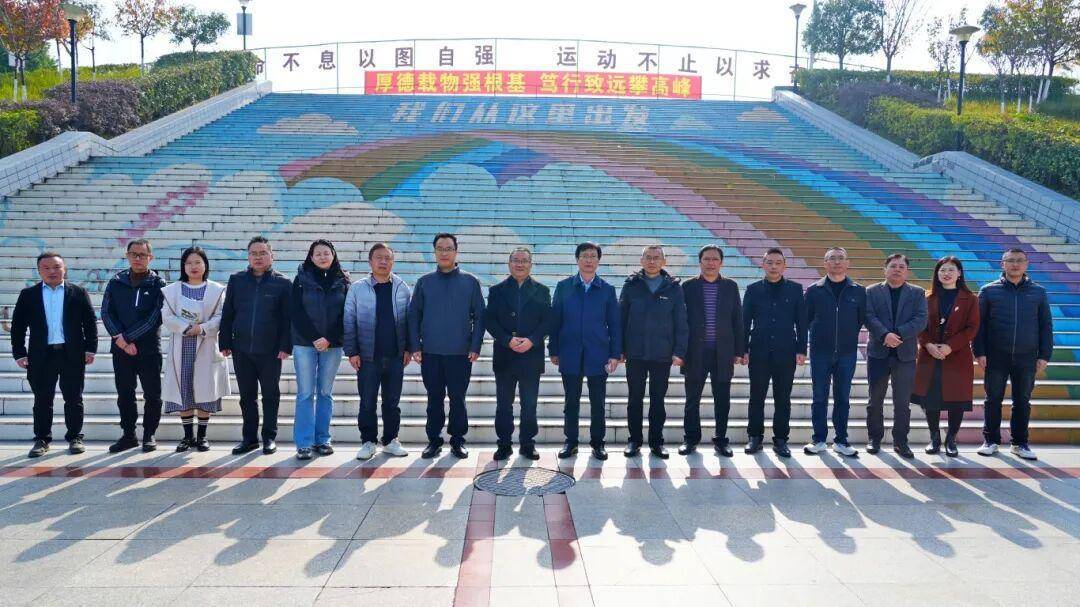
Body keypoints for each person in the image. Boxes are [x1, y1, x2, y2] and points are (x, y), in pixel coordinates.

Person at [10, 252, 97, 457]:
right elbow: (18, 326)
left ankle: (75, 437)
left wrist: (90, 348)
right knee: (42, 399)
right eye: (46, 268)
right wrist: (19, 353)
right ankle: (42, 439)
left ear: (64, 269)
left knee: (74, 398)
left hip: (71, 354)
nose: (52, 271)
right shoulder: (28, 295)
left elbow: (90, 323)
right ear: (39, 271)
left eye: (56, 267)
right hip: (41, 356)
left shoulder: (78, 292)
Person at [408, 233, 485, 459]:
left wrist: (475, 346)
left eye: (448, 248)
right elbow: (414, 316)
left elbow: (480, 316)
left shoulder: (470, 282)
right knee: (434, 398)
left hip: (460, 353)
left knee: (458, 398)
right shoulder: (424, 282)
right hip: (430, 352)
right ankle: (434, 440)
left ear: (456, 252)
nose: (444, 252)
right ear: (434, 252)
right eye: (440, 248)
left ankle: (458, 440)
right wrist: (415, 346)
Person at [974, 247, 1053, 461]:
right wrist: (979, 352)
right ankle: (990, 441)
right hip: (996, 356)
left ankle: (1020, 443)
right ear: (1003, 264)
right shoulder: (988, 291)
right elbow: (979, 326)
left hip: (1027, 357)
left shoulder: (1038, 292)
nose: (1015, 264)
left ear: (1026, 264)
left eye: (1019, 260)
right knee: (993, 399)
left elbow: (1046, 325)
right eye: (1010, 260)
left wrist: (1044, 355)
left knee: (1022, 401)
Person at [219, 236, 291, 456]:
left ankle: (269, 437)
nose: (258, 257)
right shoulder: (237, 280)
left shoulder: (283, 283)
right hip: (241, 349)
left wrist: (286, 346)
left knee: (270, 395)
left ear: (272, 256)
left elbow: (287, 319)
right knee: (247, 397)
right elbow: (228, 313)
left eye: (263, 253)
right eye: (253, 253)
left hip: (271, 351)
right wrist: (225, 341)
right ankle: (249, 439)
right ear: (248, 256)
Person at [549, 242, 621, 460]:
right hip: (570, 352)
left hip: (598, 353)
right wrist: (553, 349)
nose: (589, 260)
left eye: (593, 256)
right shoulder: (564, 286)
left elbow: (614, 324)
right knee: (571, 402)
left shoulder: (607, 289)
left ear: (598, 261)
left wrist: (615, 354)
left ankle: (598, 443)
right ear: (577, 259)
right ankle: (570, 442)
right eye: (584, 256)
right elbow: (555, 320)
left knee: (598, 402)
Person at [344, 243, 412, 460]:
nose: (383, 262)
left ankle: (391, 440)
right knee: (367, 402)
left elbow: (410, 321)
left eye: (387, 258)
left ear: (393, 261)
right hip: (367, 356)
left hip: (395, 356)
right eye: (379, 258)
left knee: (392, 402)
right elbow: (349, 320)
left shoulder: (402, 287)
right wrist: (352, 351)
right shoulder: (358, 288)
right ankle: (368, 441)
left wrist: (409, 348)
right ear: (370, 262)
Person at [620, 245, 688, 459]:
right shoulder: (631, 285)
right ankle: (634, 440)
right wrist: (619, 349)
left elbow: (681, 322)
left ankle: (657, 442)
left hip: (662, 353)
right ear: (641, 261)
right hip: (635, 353)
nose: (652, 261)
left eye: (656, 258)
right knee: (635, 399)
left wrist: (679, 350)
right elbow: (620, 319)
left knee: (658, 400)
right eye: (648, 257)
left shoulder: (673, 287)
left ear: (663, 262)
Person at [100, 238, 166, 453]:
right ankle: (128, 435)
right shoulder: (116, 282)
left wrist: (128, 338)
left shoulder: (158, 284)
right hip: (121, 350)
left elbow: (155, 317)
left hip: (149, 349)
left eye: (142, 255)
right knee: (125, 393)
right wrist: (120, 339)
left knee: (152, 394)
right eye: (133, 254)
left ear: (150, 258)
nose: (138, 258)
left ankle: (149, 434)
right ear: (127, 256)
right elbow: (106, 312)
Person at [486, 247, 551, 461]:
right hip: (505, 355)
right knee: (504, 404)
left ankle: (527, 443)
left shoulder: (542, 291)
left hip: (531, 355)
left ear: (531, 264)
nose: (520, 264)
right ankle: (504, 444)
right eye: (516, 260)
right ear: (509, 264)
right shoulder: (497, 291)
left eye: (524, 261)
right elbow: (490, 321)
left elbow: (547, 321)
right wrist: (507, 340)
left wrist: (532, 340)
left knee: (529, 404)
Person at [161, 247, 229, 452]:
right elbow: (167, 316)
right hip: (181, 345)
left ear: (205, 265)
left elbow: (221, 316)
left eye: (198, 262)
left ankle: (202, 436)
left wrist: (202, 328)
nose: (193, 266)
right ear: (183, 266)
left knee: (205, 389)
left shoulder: (217, 290)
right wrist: (185, 327)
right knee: (184, 389)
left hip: (206, 344)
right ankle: (187, 436)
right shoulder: (172, 290)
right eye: (189, 263)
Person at [741, 247, 806, 458]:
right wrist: (743, 349)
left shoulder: (795, 290)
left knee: (783, 398)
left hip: (786, 352)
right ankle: (755, 437)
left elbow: (801, 322)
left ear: (784, 266)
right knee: (756, 397)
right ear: (763, 265)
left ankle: (780, 440)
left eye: (778, 263)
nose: (773, 266)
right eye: (769, 262)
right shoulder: (753, 289)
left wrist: (801, 349)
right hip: (758, 351)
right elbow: (744, 322)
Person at [912, 256, 979, 457]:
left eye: (951, 270)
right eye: (942, 270)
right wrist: (928, 344)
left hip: (957, 357)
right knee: (930, 399)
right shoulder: (927, 297)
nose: (946, 274)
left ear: (959, 274)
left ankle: (951, 439)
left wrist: (950, 346)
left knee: (956, 400)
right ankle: (935, 438)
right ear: (937, 274)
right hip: (929, 356)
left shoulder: (971, 299)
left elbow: (972, 327)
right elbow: (919, 325)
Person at [680, 245, 742, 457]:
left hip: (722, 353)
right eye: (706, 259)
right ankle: (690, 439)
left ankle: (721, 440)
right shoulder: (688, 286)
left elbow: (737, 319)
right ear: (700, 261)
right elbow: (680, 321)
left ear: (721, 262)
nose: (710, 263)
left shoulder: (730, 286)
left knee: (722, 399)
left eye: (715, 259)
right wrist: (680, 351)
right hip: (695, 353)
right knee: (692, 399)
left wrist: (739, 350)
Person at [804, 247, 866, 457]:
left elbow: (859, 320)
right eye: (832, 258)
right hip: (820, 353)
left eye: (841, 258)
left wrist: (845, 337)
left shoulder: (858, 291)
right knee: (819, 397)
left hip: (847, 353)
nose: (837, 262)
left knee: (842, 398)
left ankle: (841, 440)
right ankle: (819, 439)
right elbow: (807, 319)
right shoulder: (814, 290)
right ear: (825, 263)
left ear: (847, 263)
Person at [291, 239, 350, 460]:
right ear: (311, 257)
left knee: (325, 392)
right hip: (305, 343)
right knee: (305, 393)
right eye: (318, 254)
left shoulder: (343, 280)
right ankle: (304, 443)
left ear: (333, 255)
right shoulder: (301, 279)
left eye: (326, 253)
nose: (323, 257)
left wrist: (330, 338)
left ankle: (323, 439)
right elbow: (295, 311)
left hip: (332, 345)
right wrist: (315, 337)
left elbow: (346, 313)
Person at [864, 254, 927, 458]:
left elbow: (921, 319)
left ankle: (901, 442)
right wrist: (885, 335)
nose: (897, 269)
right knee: (875, 400)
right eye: (893, 266)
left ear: (907, 271)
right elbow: (868, 316)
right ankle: (874, 438)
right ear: (885, 269)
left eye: (901, 266)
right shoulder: (871, 291)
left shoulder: (917, 293)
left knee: (902, 403)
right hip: (878, 353)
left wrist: (898, 334)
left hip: (905, 355)